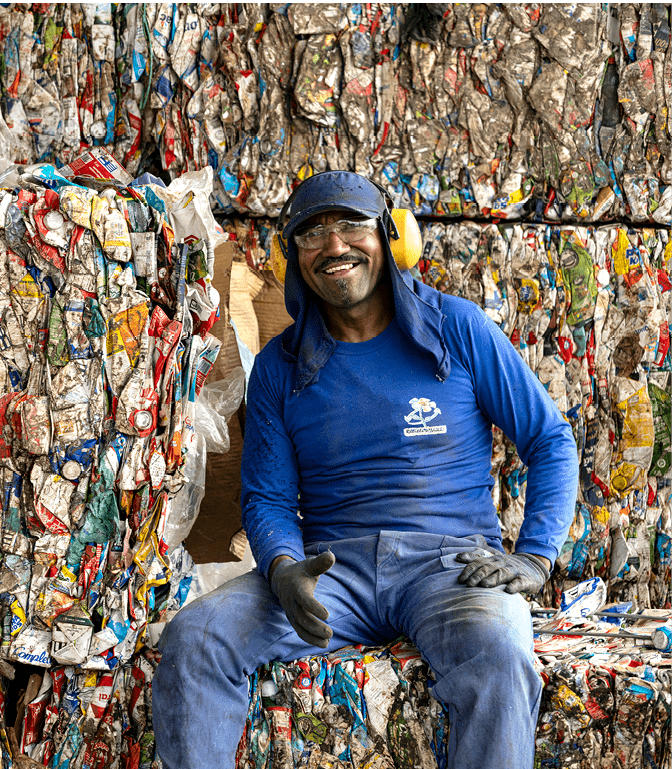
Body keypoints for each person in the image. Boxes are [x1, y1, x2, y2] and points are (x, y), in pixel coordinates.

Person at [151, 170, 578, 769]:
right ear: (294, 257)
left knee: (501, 655)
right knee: (196, 639)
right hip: (334, 570)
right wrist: (283, 568)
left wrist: (535, 556)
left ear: (390, 235)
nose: (334, 246)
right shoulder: (280, 366)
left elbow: (550, 439)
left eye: (351, 225)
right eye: (312, 233)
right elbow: (268, 497)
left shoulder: (458, 329)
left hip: (451, 566)